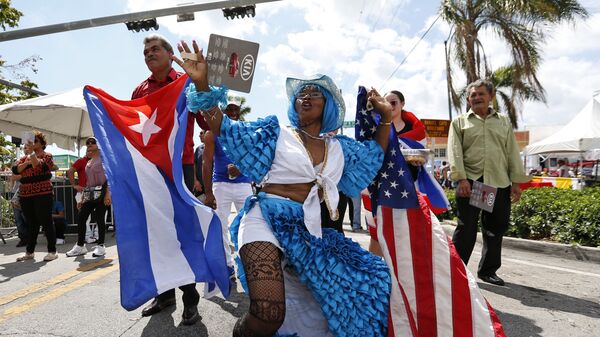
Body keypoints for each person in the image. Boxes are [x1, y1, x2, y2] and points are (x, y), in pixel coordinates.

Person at [173, 40, 393, 336]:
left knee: (372, 282)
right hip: (263, 220)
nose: (306, 96)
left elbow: (374, 157)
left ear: (328, 105)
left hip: (306, 232)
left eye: (315, 93)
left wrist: (387, 120)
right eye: (302, 93)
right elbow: (224, 128)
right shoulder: (276, 133)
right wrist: (202, 85)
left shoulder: (340, 149)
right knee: (268, 313)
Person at [132, 34, 206, 325]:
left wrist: (200, 84)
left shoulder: (185, 81)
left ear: (168, 53)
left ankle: (190, 300)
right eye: (145, 51)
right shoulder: (140, 89)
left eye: (154, 49)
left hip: (180, 167)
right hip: (151, 171)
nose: (149, 54)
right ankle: (164, 296)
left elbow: (203, 119)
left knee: (181, 234)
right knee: (158, 235)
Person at [448, 79, 530, 286]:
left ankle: (488, 271)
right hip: (473, 182)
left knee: (495, 228)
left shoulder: (502, 121)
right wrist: (462, 178)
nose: (476, 98)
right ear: (468, 99)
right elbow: (455, 152)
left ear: (490, 96)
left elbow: (511, 152)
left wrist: (516, 182)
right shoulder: (459, 122)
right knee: (466, 229)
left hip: (498, 182)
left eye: (480, 94)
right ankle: (456, 272)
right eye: (472, 95)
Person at [366, 89, 428, 256]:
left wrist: (417, 160)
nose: (390, 106)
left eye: (393, 102)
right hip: (381, 187)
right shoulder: (376, 127)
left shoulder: (417, 130)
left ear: (402, 104)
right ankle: (375, 274)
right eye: (385, 103)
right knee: (377, 234)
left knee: (406, 234)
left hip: (408, 187)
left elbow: (423, 156)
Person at [202, 99, 253, 283]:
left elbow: (252, 158)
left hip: (244, 184)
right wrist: (208, 192)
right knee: (219, 226)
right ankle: (227, 265)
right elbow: (206, 163)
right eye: (228, 109)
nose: (232, 112)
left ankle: (246, 265)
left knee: (248, 225)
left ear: (239, 113)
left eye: (235, 109)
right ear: (223, 112)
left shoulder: (246, 132)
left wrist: (240, 167)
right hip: (221, 184)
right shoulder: (212, 133)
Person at [13, 131, 57, 262]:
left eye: (36, 141)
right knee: (31, 223)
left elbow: (38, 166)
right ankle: (29, 252)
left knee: (46, 221)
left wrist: (31, 155)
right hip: (26, 193)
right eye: (32, 141)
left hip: (43, 193)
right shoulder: (24, 158)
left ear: (42, 144)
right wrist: (27, 163)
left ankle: (52, 251)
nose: (32, 143)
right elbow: (16, 170)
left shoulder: (47, 156)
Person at [66, 137, 111, 258]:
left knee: (100, 218)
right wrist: (83, 198)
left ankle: (101, 246)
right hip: (90, 194)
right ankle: (80, 246)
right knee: (81, 217)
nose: (89, 145)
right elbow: (88, 182)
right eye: (88, 143)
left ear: (98, 145)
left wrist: (108, 194)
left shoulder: (104, 159)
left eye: (93, 143)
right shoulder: (89, 162)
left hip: (102, 192)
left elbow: (110, 178)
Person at [193, 130, 206, 202]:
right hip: (200, 187)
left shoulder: (217, 148)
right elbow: (194, 165)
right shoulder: (198, 149)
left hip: (214, 186)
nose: (199, 135)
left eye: (201, 133)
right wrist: (195, 181)